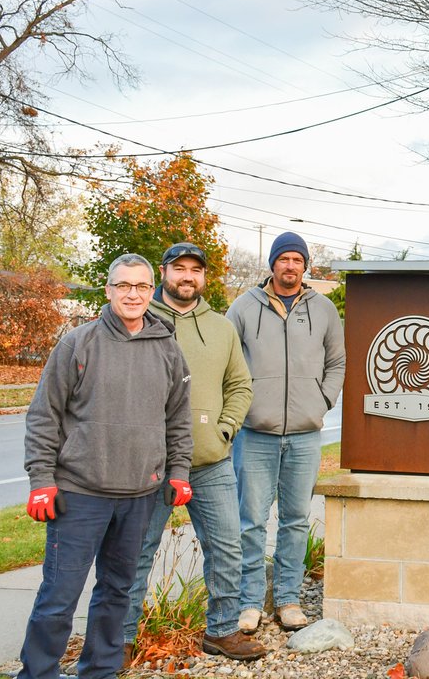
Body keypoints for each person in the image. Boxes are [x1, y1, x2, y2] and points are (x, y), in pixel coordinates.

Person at [19, 254, 192, 679]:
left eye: (141, 286)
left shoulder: (168, 349)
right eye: (123, 286)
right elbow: (44, 415)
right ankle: (38, 673)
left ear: (152, 292)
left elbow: (178, 418)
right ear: (109, 290)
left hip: (139, 496)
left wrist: (179, 471)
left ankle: (98, 670)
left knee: (117, 591)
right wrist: (42, 480)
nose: (132, 294)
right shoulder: (78, 343)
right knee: (60, 594)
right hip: (79, 494)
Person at [122, 243, 265, 662]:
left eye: (195, 270)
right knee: (136, 552)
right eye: (179, 268)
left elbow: (241, 384)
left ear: (204, 278)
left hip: (210, 462)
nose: (187, 276)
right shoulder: (139, 320)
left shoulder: (222, 328)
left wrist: (225, 430)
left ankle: (221, 631)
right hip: (150, 464)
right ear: (164, 272)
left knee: (227, 547)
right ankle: (122, 639)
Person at [227, 232, 345, 633]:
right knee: (251, 521)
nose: (290, 266)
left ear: (305, 265)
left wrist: (321, 402)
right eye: (284, 259)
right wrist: (242, 408)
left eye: (297, 259)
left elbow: (338, 363)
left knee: (295, 519)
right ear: (272, 264)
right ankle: (248, 602)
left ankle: (289, 599)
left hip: (304, 435)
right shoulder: (243, 307)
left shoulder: (324, 309)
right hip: (254, 434)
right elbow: (229, 366)